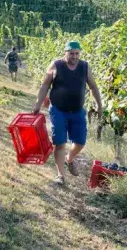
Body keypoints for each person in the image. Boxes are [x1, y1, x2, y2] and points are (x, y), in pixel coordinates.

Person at [32, 41, 102, 185]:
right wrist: (38, 104)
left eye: (77, 53)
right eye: (71, 53)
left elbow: (93, 87)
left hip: (77, 111)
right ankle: (60, 176)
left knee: (80, 142)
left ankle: (69, 159)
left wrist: (99, 105)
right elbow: (45, 85)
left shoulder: (84, 66)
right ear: (65, 52)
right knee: (60, 143)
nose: (74, 56)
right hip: (58, 110)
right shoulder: (56, 65)